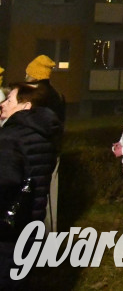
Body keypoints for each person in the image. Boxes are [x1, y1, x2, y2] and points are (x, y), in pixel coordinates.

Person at [0, 83, 61, 288]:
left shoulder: (10, 137)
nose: (3, 103)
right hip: (30, 224)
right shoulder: (42, 135)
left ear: (26, 106)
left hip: (6, 231)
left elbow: (5, 183)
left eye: (9, 100)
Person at [24, 55, 65, 233]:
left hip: (36, 152)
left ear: (34, 75)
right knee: (51, 194)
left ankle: (40, 236)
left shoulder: (35, 97)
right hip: (54, 150)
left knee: (37, 197)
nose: (25, 76)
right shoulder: (57, 95)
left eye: (27, 73)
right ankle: (51, 234)